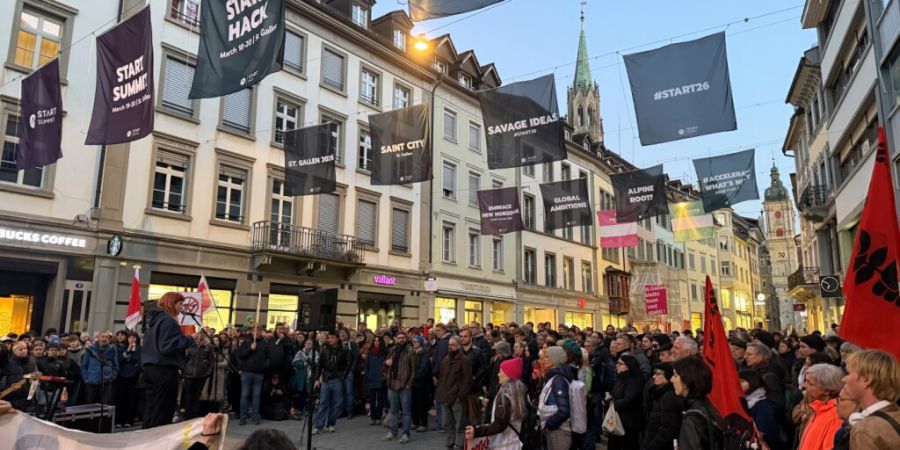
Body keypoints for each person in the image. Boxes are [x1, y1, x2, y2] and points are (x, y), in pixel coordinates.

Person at [142, 293, 197, 429]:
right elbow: (168, 346)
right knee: (162, 410)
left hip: (150, 369)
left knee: (152, 409)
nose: (181, 308)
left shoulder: (155, 322)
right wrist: (190, 339)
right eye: (180, 304)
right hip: (164, 370)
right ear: (171, 304)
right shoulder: (168, 321)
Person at [464, 357, 527, 450]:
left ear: (507, 374)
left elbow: (499, 424)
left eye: (501, 372)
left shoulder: (505, 394)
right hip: (515, 441)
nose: (498, 374)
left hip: (503, 443)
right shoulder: (522, 391)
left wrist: (477, 431)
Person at [842, 349, 900, 449]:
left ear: (866, 380)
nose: (844, 379)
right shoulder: (895, 413)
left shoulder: (865, 430)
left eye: (848, 373)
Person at [673, 356, 724, 449]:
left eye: (675, 375)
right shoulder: (708, 406)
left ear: (687, 380)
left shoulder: (692, 418)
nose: (672, 380)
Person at [797, 363, 844, 450]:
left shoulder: (835, 416)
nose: (804, 385)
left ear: (826, 390)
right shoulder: (817, 408)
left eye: (810, 384)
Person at [436, 336, 472, 450]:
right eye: (449, 345)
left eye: (452, 345)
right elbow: (441, 378)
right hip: (446, 396)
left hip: (457, 397)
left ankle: (460, 444)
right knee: (447, 423)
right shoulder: (445, 360)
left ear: (458, 346)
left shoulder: (464, 360)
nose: (450, 347)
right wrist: (441, 392)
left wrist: (460, 396)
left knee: (460, 424)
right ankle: (449, 443)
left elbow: (467, 380)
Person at [739, 369, 787, 450]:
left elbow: (769, 434)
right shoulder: (746, 401)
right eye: (738, 381)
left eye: (742, 381)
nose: (738, 384)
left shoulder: (762, 405)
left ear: (752, 382)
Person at [538, 346, 574, 450]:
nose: (543, 360)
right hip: (555, 429)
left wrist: (550, 424)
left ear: (555, 360)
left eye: (547, 357)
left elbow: (564, 410)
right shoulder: (553, 377)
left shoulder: (558, 379)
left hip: (559, 431)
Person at [313, 330, 349, 434]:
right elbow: (319, 365)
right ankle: (318, 426)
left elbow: (347, 365)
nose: (330, 340)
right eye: (329, 338)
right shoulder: (324, 349)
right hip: (326, 379)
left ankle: (331, 424)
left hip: (337, 379)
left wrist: (342, 377)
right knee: (323, 403)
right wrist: (316, 379)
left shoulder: (344, 350)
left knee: (336, 403)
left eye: (332, 338)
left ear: (337, 338)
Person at [607, 354, 644, 450]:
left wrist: (613, 403)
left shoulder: (634, 381)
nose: (617, 365)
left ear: (629, 366)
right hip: (617, 421)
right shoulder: (621, 378)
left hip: (627, 424)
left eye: (620, 364)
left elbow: (629, 400)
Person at [385, 330, 416, 443]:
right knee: (393, 410)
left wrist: (409, 384)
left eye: (403, 337)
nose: (401, 339)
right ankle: (393, 431)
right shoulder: (392, 350)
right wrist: (386, 363)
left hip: (404, 385)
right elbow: (387, 365)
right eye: (399, 338)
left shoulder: (410, 351)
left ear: (406, 339)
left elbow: (413, 369)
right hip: (392, 384)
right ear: (396, 339)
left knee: (406, 412)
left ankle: (405, 433)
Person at [643, 362, 681, 450]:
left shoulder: (669, 397)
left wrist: (652, 446)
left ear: (668, 376)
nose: (654, 376)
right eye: (654, 373)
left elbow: (668, 429)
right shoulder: (657, 393)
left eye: (658, 374)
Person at [236, 328, 268, 425]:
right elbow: (240, 355)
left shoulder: (264, 342)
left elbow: (267, 356)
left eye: (259, 330)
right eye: (256, 330)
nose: (258, 332)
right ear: (251, 331)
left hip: (259, 373)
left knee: (256, 396)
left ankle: (255, 416)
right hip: (247, 372)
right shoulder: (245, 341)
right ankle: (243, 416)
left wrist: (264, 366)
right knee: (245, 395)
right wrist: (250, 349)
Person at [183, 332, 215, 420]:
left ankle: (194, 414)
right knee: (188, 395)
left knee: (197, 395)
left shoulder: (208, 346)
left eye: (202, 334)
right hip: (189, 374)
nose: (201, 336)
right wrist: (184, 370)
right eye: (199, 334)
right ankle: (187, 414)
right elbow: (184, 359)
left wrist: (208, 372)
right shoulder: (190, 345)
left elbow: (212, 361)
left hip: (201, 375)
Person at [81, 331, 119, 405]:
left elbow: (115, 366)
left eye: (106, 337)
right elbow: (84, 365)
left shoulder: (112, 350)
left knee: (103, 406)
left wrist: (112, 377)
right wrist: (86, 378)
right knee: (89, 405)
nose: (104, 339)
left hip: (106, 382)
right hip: (91, 382)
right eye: (102, 336)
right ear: (98, 338)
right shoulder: (90, 350)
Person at [114, 331, 141, 427]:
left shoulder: (139, 349)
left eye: (134, 338)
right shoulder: (123, 348)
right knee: (121, 399)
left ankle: (129, 420)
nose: (132, 340)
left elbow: (139, 361)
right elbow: (119, 360)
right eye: (130, 338)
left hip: (133, 377)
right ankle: (118, 420)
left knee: (132, 400)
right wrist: (128, 351)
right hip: (122, 376)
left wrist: (133, 353)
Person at [365, 335, 387, 426]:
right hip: (372, 378)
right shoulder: (370, 353)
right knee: (372, 399)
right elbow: (367, 365)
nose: (376, 342)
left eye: (378, 341)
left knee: (380, 399)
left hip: (381, 378)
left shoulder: (385, 352)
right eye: (375, 341)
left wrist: (384, 376)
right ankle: (373, 417)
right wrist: (367, 375)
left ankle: (378, 417)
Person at [411, 335, 432, 432]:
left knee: (421, 403)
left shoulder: (424, 353)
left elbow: (423, 369)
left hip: (421, 383)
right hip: (413, 382)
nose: (414, 343)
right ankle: (415, 422)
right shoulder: (412, 352)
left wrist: (413, 377)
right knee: (414, 403)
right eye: (413, 341)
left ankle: (423, 423)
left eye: (416, 341)